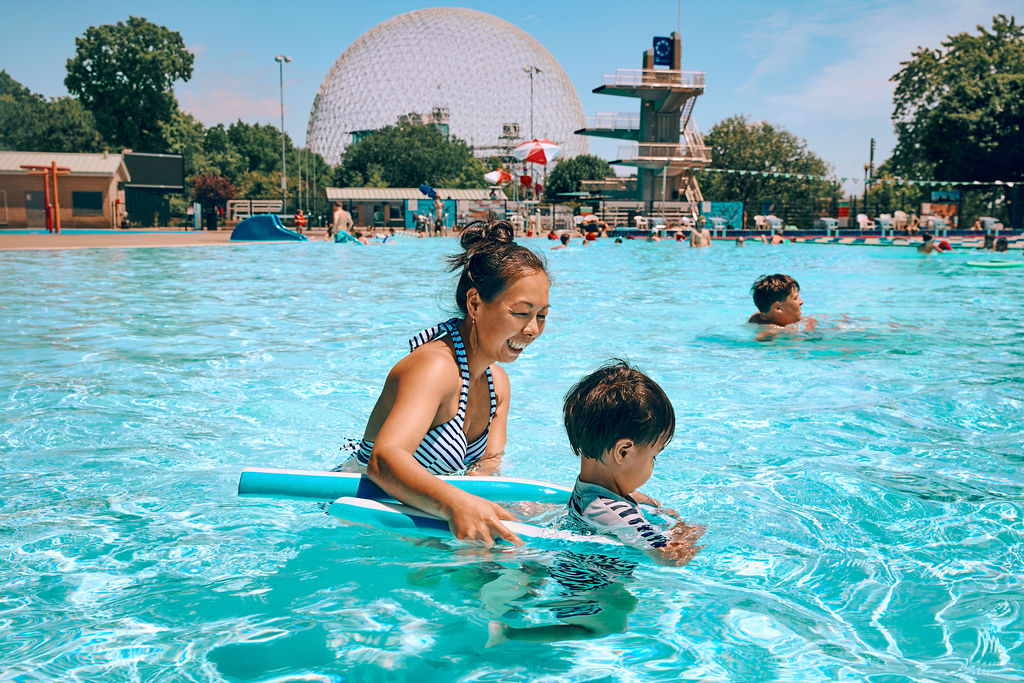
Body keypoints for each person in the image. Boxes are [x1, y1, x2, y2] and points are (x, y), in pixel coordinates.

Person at [337, 220, 549, 545]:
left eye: (542, 315)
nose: (533, 329)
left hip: (422, 514)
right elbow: (385, 459)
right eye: (521, 313)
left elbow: (488, 466)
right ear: (475, 303)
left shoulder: (499, 385)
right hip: (361, 519)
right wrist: (456, 503)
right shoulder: (435, 367)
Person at [561, 360, 704, 566]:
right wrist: (686, 530)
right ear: (623, 452)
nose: (653, 464)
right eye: (653, 456)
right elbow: (672, 558)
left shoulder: (589, 494)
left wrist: (630, 496)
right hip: (599, 591)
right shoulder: (618, 515)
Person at [747, 273, 811, 328]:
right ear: (778, 307)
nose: (802, 301)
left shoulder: (761, 314)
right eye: (795, 298)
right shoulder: (773, 331)